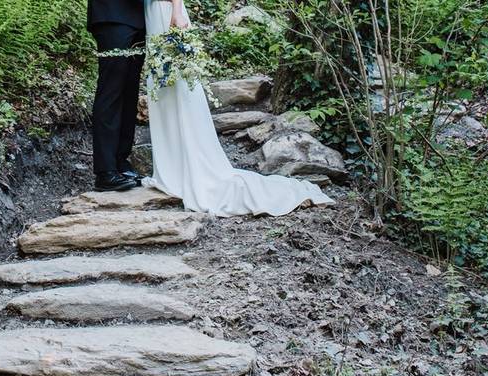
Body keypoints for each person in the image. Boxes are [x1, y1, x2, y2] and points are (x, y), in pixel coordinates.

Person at [142, 0, 334, 216]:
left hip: (167, 10)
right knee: (166, 88)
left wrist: (176, 11)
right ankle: (173, 167)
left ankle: (188, 166)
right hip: (153, 12)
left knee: (179, 87)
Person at [87, 0, 146, 192]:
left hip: (138, 16)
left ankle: (121, 161)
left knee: (130, 91)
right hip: (111, 13)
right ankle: (106, 171)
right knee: (111, 90)